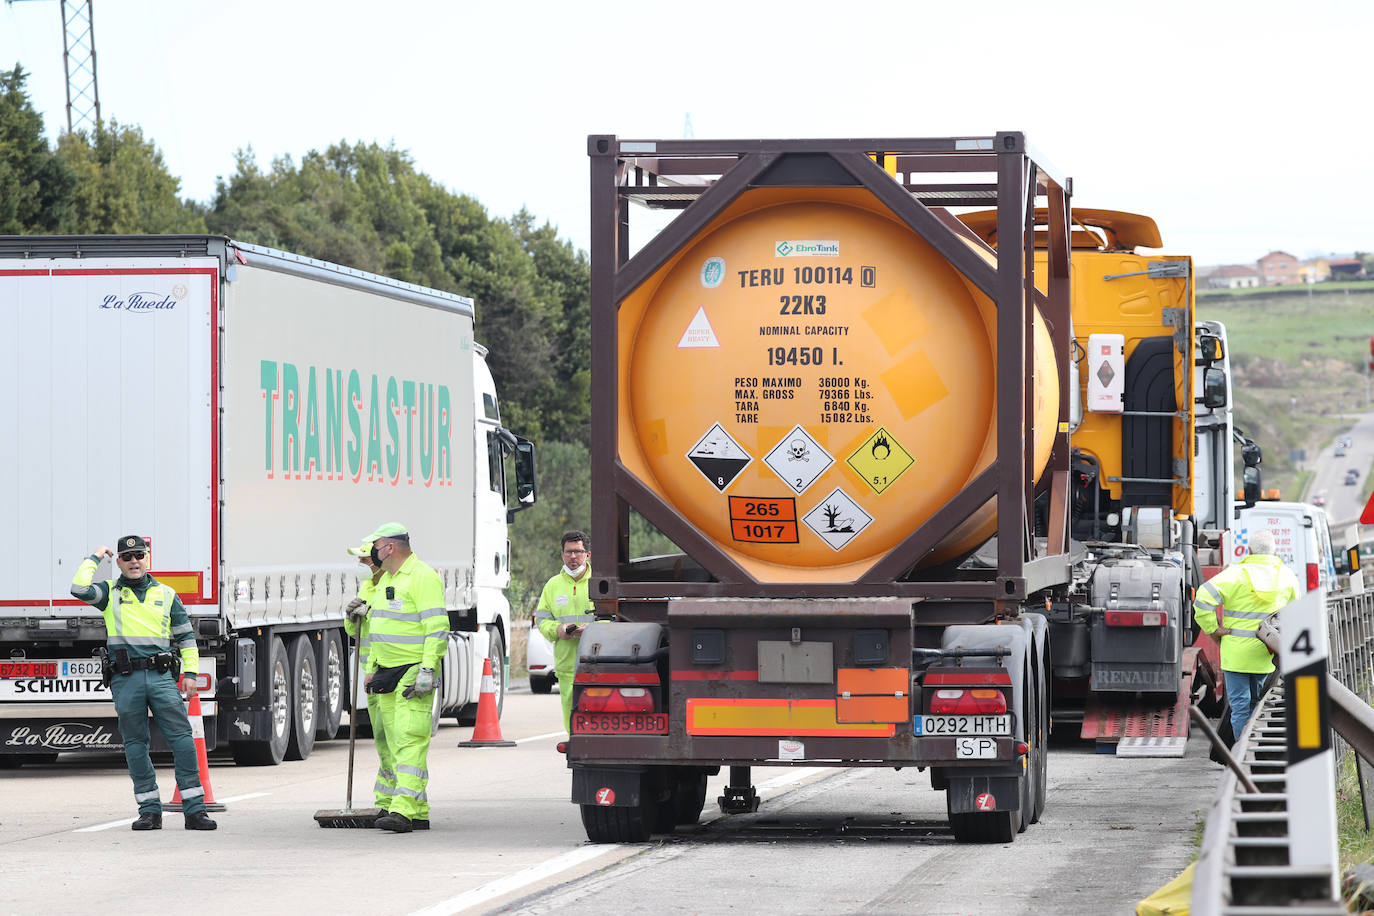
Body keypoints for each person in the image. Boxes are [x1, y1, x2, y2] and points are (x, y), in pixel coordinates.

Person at [69, 535, 217, 830]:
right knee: (136, 745)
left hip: (162, 677)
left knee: (183, 741)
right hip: (126, 680)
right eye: (126, 557)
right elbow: (79, 587)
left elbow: (186, 637)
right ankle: (149, 810)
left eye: (139, 555)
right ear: (119, 562)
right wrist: (96, 557)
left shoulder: (166, 594)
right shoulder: (108, 593)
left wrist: (190, 674)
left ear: (147, 558)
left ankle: (195, 810)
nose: (133, 561)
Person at [362, 522, 447, 833]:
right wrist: (372, 667)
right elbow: (378, 629)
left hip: (412, 670)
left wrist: (427, 669)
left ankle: (403, 809)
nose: (372, 552)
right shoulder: (389, 578)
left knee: (410, 739)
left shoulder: (422, 576)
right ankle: (419, 809)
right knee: (397, 742)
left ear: (390, 547)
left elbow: (437, 627)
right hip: (386, 671)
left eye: (376, 545)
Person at [1193, 529, 1299, 743]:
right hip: (1266, 656)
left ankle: (1242, 759)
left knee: (1240, 707)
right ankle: (1256, 750)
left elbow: (1202, 599)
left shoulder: (1236, 574)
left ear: (1249, 550)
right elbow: (1295, 614)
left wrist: (1213, 629)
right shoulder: (1287, 576)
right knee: (1258, 706)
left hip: (1236, 655)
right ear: (1273, 551)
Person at [343, 540, 395, 815]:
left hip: (387, 674)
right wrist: (351, 616)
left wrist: (371, 614)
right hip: (371, 679)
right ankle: (385, 802)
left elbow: (386, 629)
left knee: (397, 742)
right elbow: (356, 633)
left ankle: (402, 803)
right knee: (383, 744)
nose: (361, 565)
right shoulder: (367, 588)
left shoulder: (391, 586)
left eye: (364, 560)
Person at [534, 531, 594, 732]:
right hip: (567, 663)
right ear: (562, 554)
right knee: (571, 711)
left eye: (578, 551)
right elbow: (541, 620)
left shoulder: (600, 582)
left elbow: (614, 617)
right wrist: (557, 629)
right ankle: (576, 750)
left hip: (597, 660)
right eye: (569, 552)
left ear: (588, 554)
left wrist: (592, 630)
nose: (573, 557)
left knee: (595, 710)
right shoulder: (552, 585)